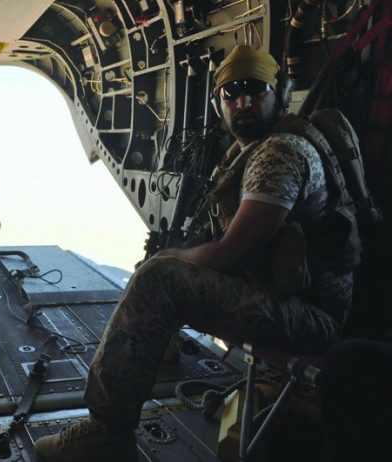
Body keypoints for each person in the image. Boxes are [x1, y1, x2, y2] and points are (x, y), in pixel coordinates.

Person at [34, 45, 356, 461]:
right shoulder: (248, 151)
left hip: (310, 316)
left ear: (280, 92)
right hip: (284, 298)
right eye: (230, 93)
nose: (241, 101)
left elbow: (228, 254)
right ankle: (154, 348)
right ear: (217, 102)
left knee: (159, 278)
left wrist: (168, 262)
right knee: (166, 258)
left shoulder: (281, 154)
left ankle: (106, 433)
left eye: (254, 90)